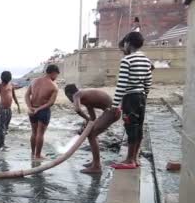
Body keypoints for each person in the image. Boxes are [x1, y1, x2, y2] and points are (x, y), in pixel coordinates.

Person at [110, 31, 153, 169]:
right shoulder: (146, 60)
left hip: (130, 97)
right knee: (139, 126)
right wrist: (144, 94)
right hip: (141, 96)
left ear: (128, 43)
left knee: (130, 126)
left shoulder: (127, 60)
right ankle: (135, 158)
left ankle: (129, 160)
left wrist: (115, 104)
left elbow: (121, 84)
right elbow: (148, 81)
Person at [64, 84, 121, 173]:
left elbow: (77, 109)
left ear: (68, 94)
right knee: (91, 133)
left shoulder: (77, 94)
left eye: (67, 97)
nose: (70, 100)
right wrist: (85, 125)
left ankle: (97, 166)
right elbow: (92, 118)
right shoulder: (86, 98)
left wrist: (86, 119)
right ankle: (95, 162)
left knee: (91, 135)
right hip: (111, 111)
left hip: (112, 111)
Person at [25, 64, 60, 161]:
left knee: (33, 132)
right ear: (53, 73)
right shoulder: (54, 86)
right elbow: (50, 103)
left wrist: (30, 107)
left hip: (32, 109)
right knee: (40, 133)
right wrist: (39, 109)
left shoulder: (34, 81)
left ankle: (32, 153)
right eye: (56, 75)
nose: (56, 77)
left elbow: (27, 95)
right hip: (43, 111)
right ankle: (38, 155)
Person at [0, 71, 21, 151]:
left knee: (6, 128)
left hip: (9, 109)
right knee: (1, 128)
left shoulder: (11, 86)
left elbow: (14, 96)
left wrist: (18, 105)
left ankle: (3, 143)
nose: (5, 82)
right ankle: (1, 145)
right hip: (2, 109)